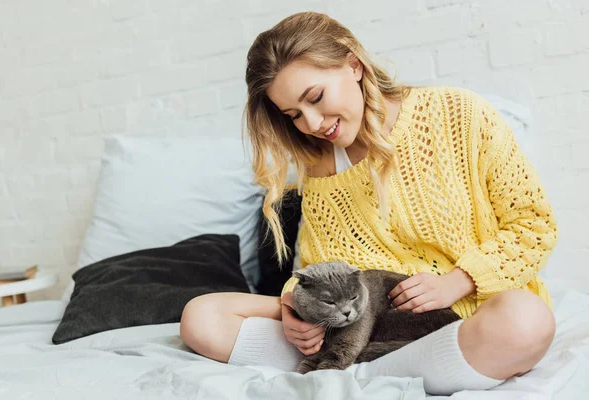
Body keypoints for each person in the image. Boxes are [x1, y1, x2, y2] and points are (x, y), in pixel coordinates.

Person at [180, 11, 558, 395]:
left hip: (457, 325)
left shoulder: (458, 114)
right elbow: (322, 269)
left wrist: (457, 282)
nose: (311, 123)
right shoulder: (321, 165)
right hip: (359, 329)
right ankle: (378, 372)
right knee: (202, 317)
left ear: (354, 65)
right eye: (294, 114)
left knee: (526, 320)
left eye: (315, 98)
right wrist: (293, 305)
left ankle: (356, 376)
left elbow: (535, 224)